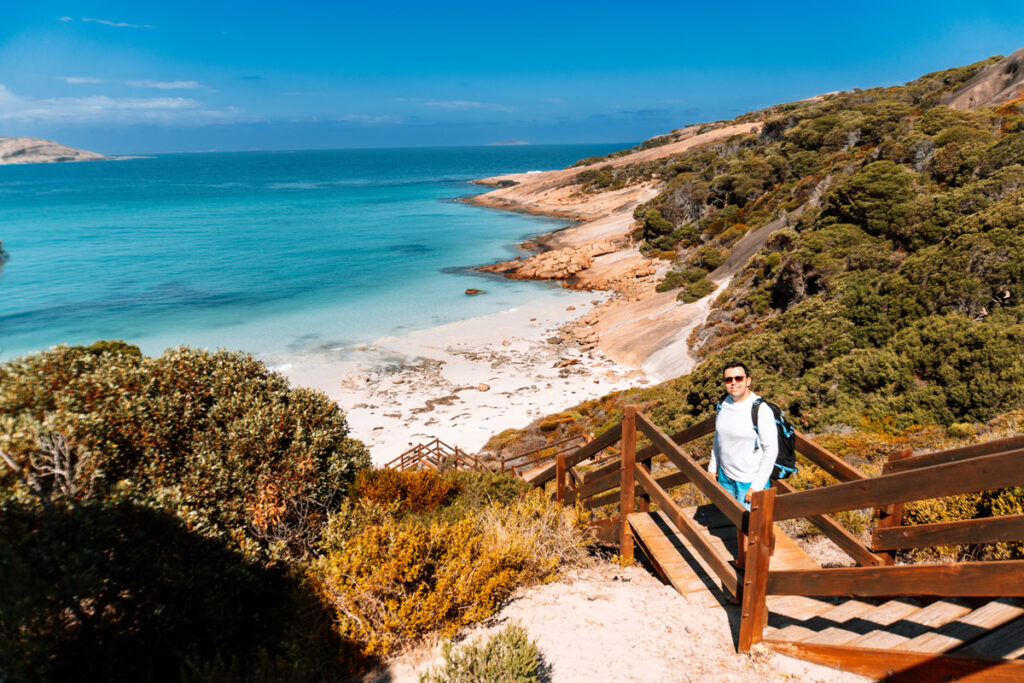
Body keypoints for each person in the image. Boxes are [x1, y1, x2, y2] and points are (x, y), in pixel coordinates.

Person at [708, 361, 777, 510]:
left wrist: (757, 486)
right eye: (728, 379)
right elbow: (718, 437)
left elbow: (771, 451)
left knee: (750, 527)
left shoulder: (761, 409)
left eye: (738, 378)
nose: (733, 383)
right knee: (729, 516)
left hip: (749, 480)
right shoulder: (723, 404)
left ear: (748, 381)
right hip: (725, 476)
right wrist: (713, 467)